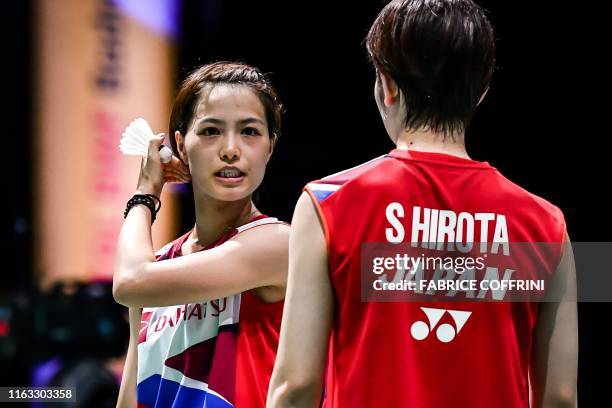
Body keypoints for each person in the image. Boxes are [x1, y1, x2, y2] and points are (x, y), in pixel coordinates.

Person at [267, 1, 577, 407]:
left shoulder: (327, 204)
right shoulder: (546, 224)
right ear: (481, 90)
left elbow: (297, 386)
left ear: (387, 86)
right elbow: (559, 397)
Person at [113, 61, 290, 408]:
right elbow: (130, 395)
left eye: (250, 132)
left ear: (270, 146)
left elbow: (130, 281)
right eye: (210, 131)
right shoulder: (161, 264)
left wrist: (145, 193)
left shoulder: (277, 243)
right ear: (180, 144)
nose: (230, 149)